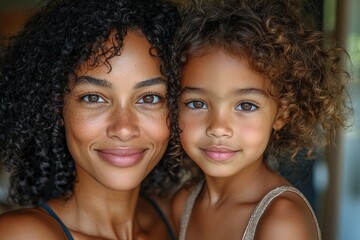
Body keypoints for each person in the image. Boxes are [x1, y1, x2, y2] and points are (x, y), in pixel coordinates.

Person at [168, 0, 352, 239]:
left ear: (281, 113)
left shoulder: (281, 222)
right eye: (197, 103)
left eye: (246, 105)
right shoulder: (183, 205)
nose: (219, 128)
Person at [0, 0, 180, 239]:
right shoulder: (22, 234)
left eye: (149, 98)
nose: (124, 129)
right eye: (94, 98)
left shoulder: (180, 219)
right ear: (56, 105)